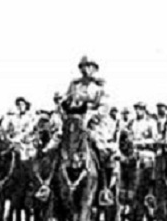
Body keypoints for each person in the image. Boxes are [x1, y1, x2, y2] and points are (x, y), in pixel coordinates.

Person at [44, 56, 117, 203]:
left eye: (90, 66)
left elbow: (104, 107)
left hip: (93, 123)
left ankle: (104, 189)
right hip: (73, 120)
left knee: (102, 149)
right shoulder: (74, 84)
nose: (86, 70)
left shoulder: (99, 87)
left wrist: (92, 117)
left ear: (95, 69)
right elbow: (65, 100)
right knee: (53, 145)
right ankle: (48, 185)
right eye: (84, 66)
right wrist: (65, 110)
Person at [129, 102, 159, 166]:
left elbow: (155, 139)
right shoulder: (132, 122)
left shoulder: (151, 122)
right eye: (136, 109)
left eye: (140, 109)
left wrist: (142, 142)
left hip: (146, 151)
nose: (137, 111)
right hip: (134, 152)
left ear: (144, 110)